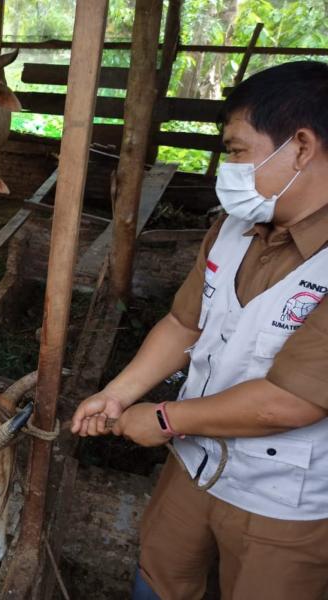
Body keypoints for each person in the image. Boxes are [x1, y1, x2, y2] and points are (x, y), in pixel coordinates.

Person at [71, 60, 328, 599]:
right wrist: (116, 395)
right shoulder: (233, 227)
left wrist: (163, 418)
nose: (226, 167)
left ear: (301, 147)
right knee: (161, 576)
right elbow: (183, 323)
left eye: (236, 150)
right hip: (195, 464)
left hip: (288, 499)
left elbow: (289, 403)